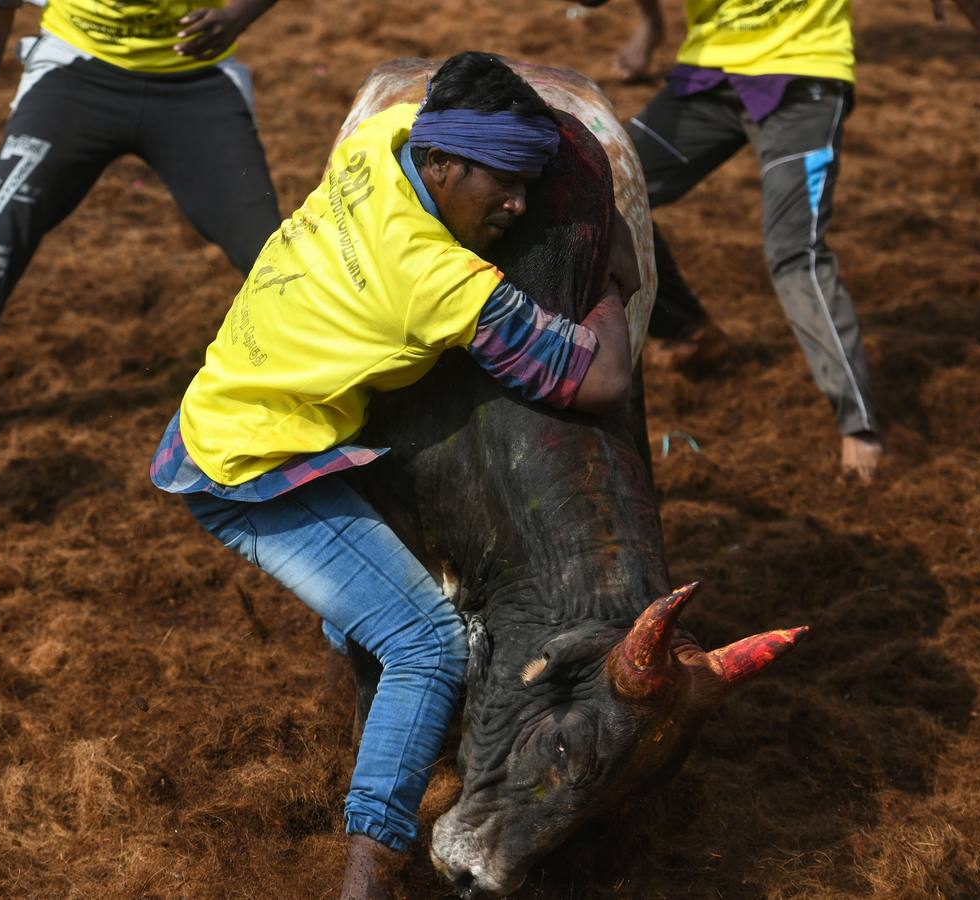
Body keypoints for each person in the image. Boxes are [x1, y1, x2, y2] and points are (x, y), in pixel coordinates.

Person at [148, 52, 638, 898]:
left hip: (237, 420)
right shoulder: (436, 282)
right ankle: (368, 869)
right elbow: (601, 381)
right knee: (426, 645)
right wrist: (617, 287)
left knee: (387, 606)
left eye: (529, 185)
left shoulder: (382, 140)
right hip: (253, 472)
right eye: (503, 184)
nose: (518, 206)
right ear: (443, 164)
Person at [604, 0, 980, 481]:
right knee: (605, 195)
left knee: (793, 253)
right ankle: (687, 331)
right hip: (709, 74)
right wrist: (650, 26)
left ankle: (860, 428)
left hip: (803, 76)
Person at [0, 0, 283, 461]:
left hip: (196, 79)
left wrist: (239, 14)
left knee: (272, 258)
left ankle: (322, 398)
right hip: (74, 71)